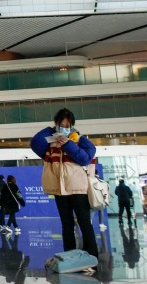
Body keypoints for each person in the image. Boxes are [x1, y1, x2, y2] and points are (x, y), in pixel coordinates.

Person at [30, 108, 98, 258]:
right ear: (56, 125)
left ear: (72, 126)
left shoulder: (80, 140)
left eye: (68, 126)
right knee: (67, 225)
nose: (64, 128)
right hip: (60, 191)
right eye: (61, 125)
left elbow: (85, 158)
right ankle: (69, 256)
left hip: (79, 190)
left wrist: (68, 143)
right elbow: (35, 142)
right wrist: (51, 130)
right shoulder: (50, 145)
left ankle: (92, 256)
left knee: (84, 223)